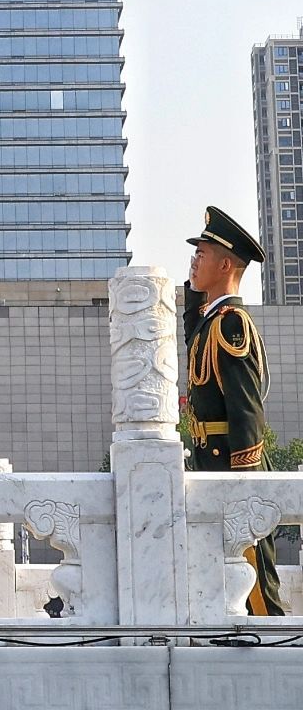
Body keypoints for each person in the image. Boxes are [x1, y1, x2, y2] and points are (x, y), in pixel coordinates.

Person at [183, 205, 284, 616]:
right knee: (224, 583)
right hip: (213, 466)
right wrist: (193, 290)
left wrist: (244, 486)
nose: (194, 260)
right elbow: (191, 332)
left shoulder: (231, 324)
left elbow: (246, 413)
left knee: (255, 585)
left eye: (202, 254)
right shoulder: (211, 321)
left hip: (232, 468)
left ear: (225, 264)